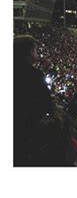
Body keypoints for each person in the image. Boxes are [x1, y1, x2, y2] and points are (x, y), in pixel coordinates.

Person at [14, 35, 54, 166]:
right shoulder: (34, 75)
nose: (37, 53)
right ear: (29, 52)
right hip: (27, 135)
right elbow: (47, 105)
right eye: (35, 50)